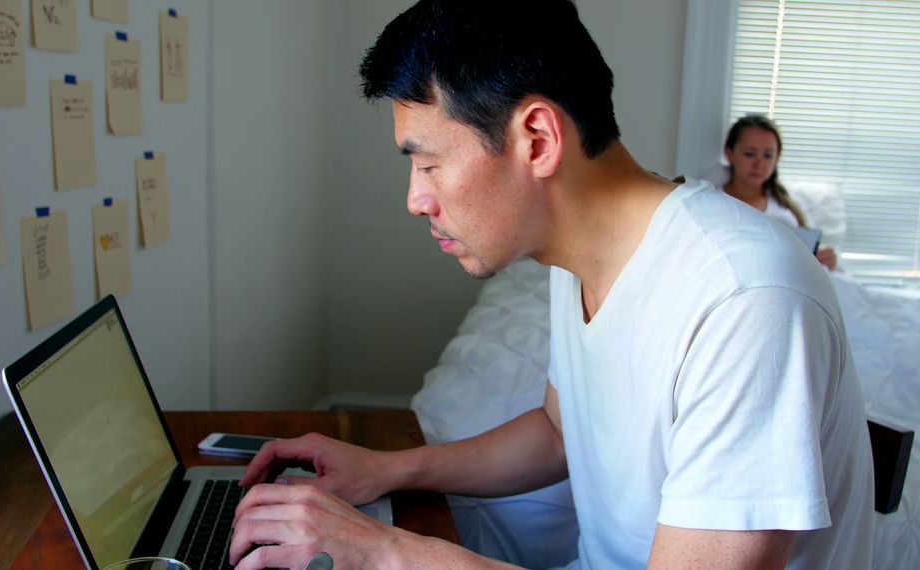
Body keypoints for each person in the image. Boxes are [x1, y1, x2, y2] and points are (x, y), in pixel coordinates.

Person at [228, 2, 875, 568]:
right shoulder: (581, 255)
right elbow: (561, 432)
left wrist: (388, 552)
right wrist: (389, 468)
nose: (415, 199)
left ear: (537, 140)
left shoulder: (743, 298)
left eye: (428, 163)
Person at [721, 114, 839, 271]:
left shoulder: (790, 205)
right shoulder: (714, 202)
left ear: (777, 158)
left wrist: (827, 259)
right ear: (730, 154)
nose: (759, 164)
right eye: (750, 154)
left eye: (768, 155)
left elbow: (814, 253)